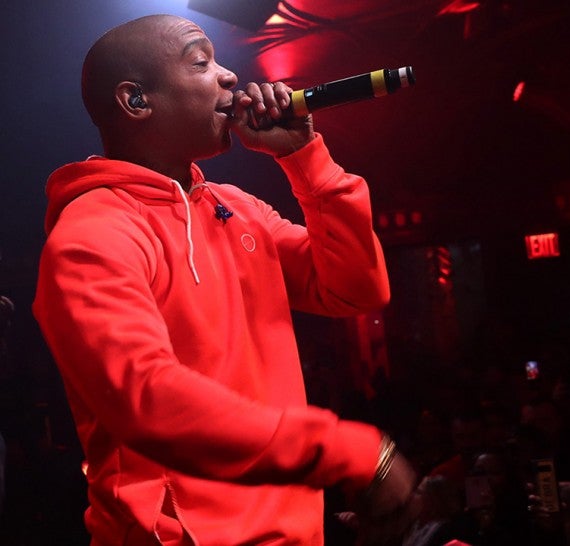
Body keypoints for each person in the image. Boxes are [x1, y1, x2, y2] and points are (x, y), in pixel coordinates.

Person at [32, 14, 417, 545]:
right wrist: (342, 450)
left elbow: (354, 289)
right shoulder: (93, 232)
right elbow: (147, 398)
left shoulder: (235, 207)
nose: (231, 76)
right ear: (136, 100)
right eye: (200, 62)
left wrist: (303, 155)